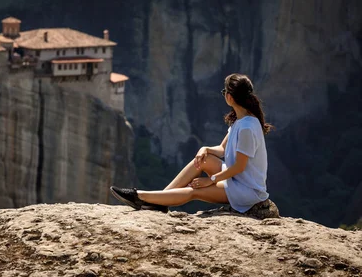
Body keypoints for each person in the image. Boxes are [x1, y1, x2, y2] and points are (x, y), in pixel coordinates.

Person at [111, 73, 273, 213]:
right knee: (203, 160)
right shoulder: (240, 121)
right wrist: (205, 149)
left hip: (247, 190)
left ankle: (140, 196)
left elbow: (239, 167)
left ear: (229, 97)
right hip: (237, 179)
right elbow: (222, 149)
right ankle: (161, 200)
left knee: (193, 191)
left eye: (224, 92)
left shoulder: (247, 127)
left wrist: (211, 180)